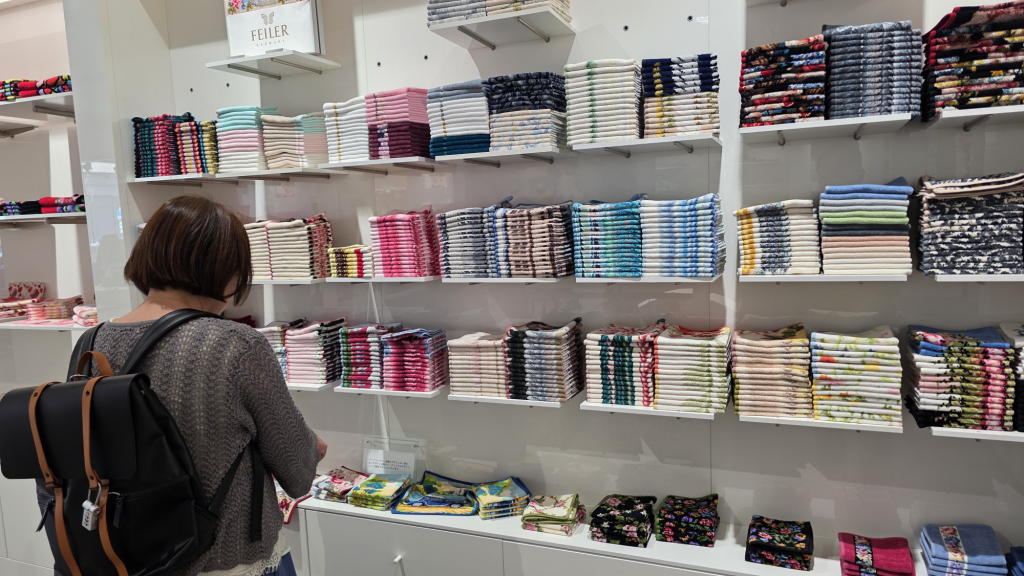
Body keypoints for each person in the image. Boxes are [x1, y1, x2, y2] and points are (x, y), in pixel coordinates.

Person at [41, 195, 325, 576]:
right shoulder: (237, 346)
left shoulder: (92, 343)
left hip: (126, 556)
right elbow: (298, 472)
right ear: (226, 271)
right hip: (226, 560)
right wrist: (312, 446)